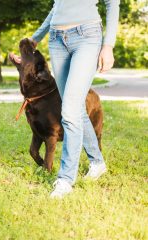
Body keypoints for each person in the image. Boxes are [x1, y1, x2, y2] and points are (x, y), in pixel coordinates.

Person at [12, 0, 120, 198]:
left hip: (86, 36)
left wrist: (108, 45)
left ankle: (65, 179)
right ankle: (97, 162)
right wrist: (35, 38)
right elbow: (58, 6)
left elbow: (112, 3)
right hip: (57, 39)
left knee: (69, 110)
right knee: (75, 108)